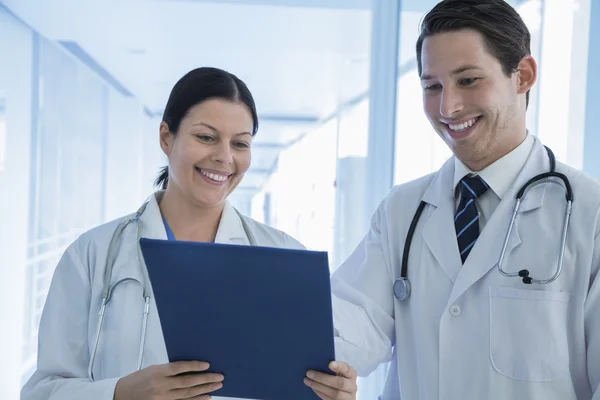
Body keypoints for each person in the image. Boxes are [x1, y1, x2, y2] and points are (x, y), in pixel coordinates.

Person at [21, 67, 358, 400]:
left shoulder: (286, 258)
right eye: (206, 137)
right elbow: (41, 392)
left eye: (240, 144)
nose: (224, 158)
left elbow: (304, 384)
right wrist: (120, 393)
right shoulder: (93, 254)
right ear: (166, 137)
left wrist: (335, 395)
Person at [330, 1, 600, 399]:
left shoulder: (589, 214)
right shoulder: (402, 212)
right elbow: (345, 330)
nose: (448, 107)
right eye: (432, 87)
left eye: (469, 80)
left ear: (523, 75)